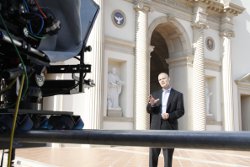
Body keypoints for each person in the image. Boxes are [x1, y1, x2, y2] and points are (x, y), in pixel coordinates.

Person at [147, 72, 185, 167]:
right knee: (153, 157)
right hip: (155, 129)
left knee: (168, 158)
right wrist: (151, 104)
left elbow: (181, 111)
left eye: (163, 78)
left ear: (169, 79)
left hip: (169, 128)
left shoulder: (178, 95)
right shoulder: (155, 94)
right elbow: (149, 110)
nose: (162, 81)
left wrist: (169, 115)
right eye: (159, 79)